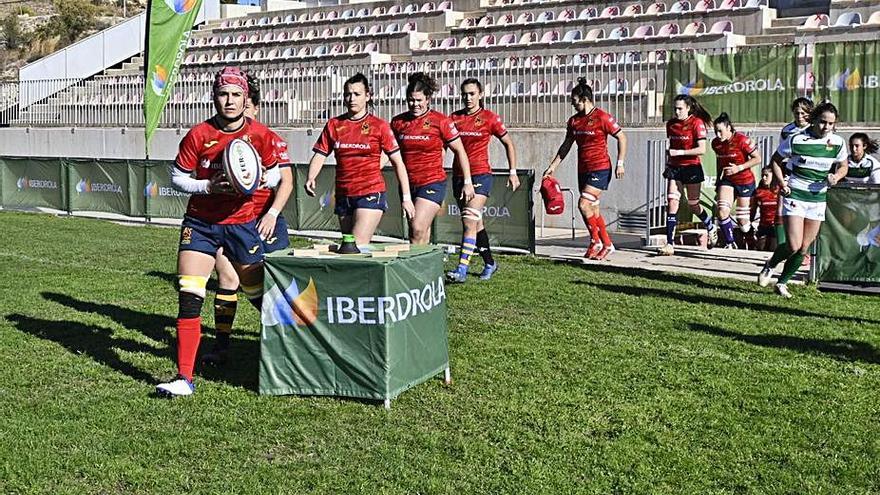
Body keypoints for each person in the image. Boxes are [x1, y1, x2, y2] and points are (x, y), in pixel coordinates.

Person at [157, 66, 278, 396]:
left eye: (236, 95)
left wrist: (255, 181)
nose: (229, 100)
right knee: (189, 294)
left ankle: (297, 346)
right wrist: (209, 186)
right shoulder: (198, 134)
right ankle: (184, 378)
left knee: (258, 294)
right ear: (214, 97)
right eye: (223, 94)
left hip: (241, 225)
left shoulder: (262, 135)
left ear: (245, 98)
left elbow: (277, 174)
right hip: (200, 225)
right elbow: (178, 178)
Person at [202, 72, 294, 366]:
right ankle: (222, 345)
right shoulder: (220, 138)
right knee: (227, 278)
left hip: (266, 222)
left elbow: (287, 182)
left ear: (253, 107)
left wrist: (272, 214)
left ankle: (292, 336)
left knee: (275, 284)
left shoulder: (270, 139)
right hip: (231, 222)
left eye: (248, 105)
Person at [305, 73, 415, 246]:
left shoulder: (379, 126)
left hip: (370, 192)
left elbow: (398, 162)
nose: (351, 98)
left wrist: (407, 198)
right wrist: (311, 177)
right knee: (349, 247)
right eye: (348, 94)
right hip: (344, 194)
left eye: (357, 94)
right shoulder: (334, 125)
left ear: (367, 96)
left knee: (357, 244)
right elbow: (320, 153)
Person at [758, 101, 849, 298]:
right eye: (823, 122)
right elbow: (776, 160)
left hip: (817, 198)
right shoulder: (797, 139)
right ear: (814, 119)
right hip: (796, 194)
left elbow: (843, 166)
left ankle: (782, 283)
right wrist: (782, 183)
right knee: (793, 245)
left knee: (805, 247)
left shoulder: (838, 143)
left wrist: (836, 176)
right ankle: (771, 264)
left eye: (831, 124)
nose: (826, 127)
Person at [543, 77, 627, 260]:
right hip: (583, 169)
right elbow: (566, 145)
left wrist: (620, 163)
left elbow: (622, 137)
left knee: (583, 203)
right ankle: (607, 244)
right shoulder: (574, 121)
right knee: (593, 210)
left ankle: (595, 241)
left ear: (584, 99)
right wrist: (553, 166)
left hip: (601, 168)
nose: (572, 105)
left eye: (574, 101)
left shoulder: (602, 117)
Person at [446, 78, 519, 282]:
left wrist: (512, 171)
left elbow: (508, 143)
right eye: (465, 94)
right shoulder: (454, 118)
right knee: (476, 223)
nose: (468, 98)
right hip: (459, 177)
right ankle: (489, 262)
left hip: (481, 175)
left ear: (481, 94)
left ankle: (461, 269)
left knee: (469, 219)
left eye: (472, 93)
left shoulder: (490, 118)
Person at [391, 72, 474, 245]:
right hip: (408, 184)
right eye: (411, 100)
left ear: (428, 99)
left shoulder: (440, 121)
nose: (415, 104)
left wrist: (467, 181)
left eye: (419, 100)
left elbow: (460, 150)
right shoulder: (398, 122)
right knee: (421, 234)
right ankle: (424, 270)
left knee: (417, 228)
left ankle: (411, 270)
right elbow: (390, 153)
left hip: (432, 182)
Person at [658, 94, 714, 255]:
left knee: (693, 204)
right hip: (675, 168)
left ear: (688, 108)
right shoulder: (671, 124)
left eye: (680, 108)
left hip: (691, 167)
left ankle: (710, 225)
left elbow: (702, 150)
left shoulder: (697, 123)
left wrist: (679, 152)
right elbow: (671, 147)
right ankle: (670, 244)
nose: (677, 111)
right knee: (672, 202)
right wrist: (669, 160)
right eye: (675, 108)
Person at [710, 112, 761, 249]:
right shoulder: (715, 143)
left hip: (744, 181)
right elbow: (719, 161)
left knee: (742, 221)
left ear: (729, 128)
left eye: (720, 131)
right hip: (728, 180)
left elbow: (757, 159)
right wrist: (718, 179)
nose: (718, 135)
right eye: (715, 131)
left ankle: (751, 240)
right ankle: (729, 242)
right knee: (722, 211)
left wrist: (739, 168)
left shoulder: (742, 140)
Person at [751, 166, 780, 251]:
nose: (764, 178)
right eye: (762, 175)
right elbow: (753, 209)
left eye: (766, 175)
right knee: (761, 249)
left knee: (773, 249)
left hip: (776, 226)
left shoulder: (780, 190)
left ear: (773, 176)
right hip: (763, 226)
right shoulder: (758, 192)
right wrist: (749, 223)